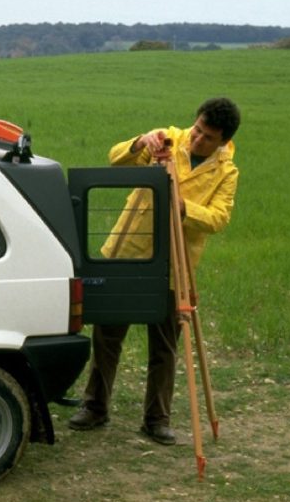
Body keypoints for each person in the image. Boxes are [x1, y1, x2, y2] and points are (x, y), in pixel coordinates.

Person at [69, 97, 240, 445]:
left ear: (223, 141)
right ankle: (95, 406)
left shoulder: (226, 173)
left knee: (164, 347)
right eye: (197, 129)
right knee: (107, 336)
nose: (197, 139)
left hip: (174, 266)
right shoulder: (167, 140)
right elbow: (115, 159)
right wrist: (138, 144)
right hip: (125, 252)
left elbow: (219, 218)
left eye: (208, 137)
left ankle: (156, 419)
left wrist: (185, 208)